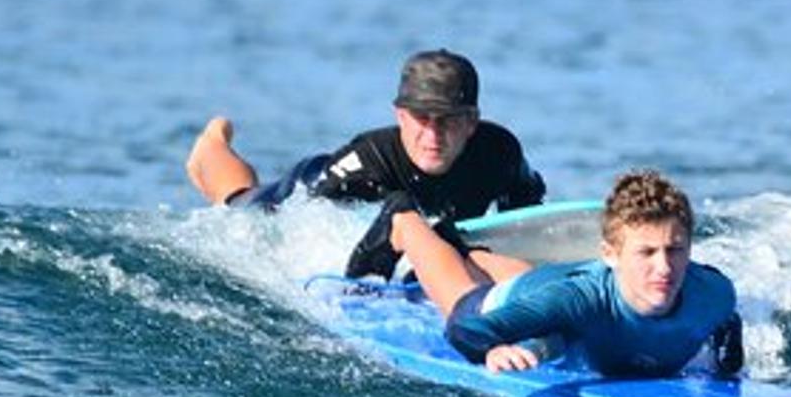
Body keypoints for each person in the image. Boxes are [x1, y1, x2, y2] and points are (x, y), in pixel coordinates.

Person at [184, 48, 546, 278]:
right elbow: (299, 233)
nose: (433, 135)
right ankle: (212, 145)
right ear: (400, 116)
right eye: (422, 118)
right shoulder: (369, 161)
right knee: (238, 200)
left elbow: (527, 215)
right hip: (313, 181)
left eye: (448, 121)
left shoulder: (499, 153)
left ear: (471, 122)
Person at [388, 167, 744, 378]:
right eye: (646, 252)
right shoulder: (577, 301)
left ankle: (471, 252)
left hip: (555, 285)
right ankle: (405, 222)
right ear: (610, 254)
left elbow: (725, 322)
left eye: (675, 250)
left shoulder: (714, 292)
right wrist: (491, 351)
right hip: (517, 298)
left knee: (543, 289)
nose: (664, 267)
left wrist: (727, 368)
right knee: (461, 295)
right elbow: (465, 329)